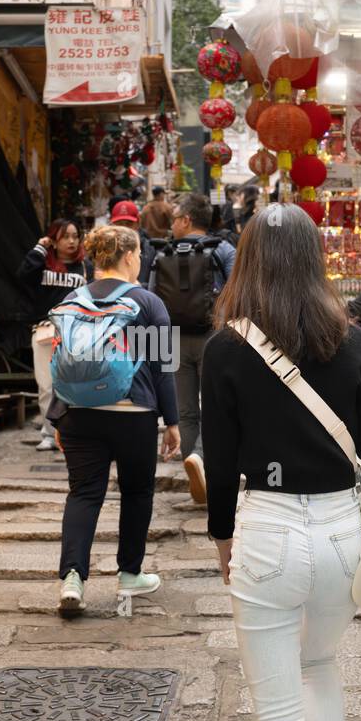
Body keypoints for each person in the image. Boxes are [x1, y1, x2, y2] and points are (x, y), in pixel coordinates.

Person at [201, 203, 361, 721]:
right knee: (320, 661)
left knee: (275, 714)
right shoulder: (353, 343)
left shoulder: (225, 349)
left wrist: (223, 540)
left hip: (269, 533)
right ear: (314, 259)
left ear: (247, 261)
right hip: (344, 536)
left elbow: (220, 466)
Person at [48, 225, 181, 615]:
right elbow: (163, 368)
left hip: (79, 414)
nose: (140, 259)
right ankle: (129, 574)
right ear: (127, 256)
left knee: (84, 493)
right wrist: (172, 422)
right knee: (137, 492)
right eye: (138, 252)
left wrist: (58, 419)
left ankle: (72, 578)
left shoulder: (73, 298)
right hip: (133, 413)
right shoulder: (148, 302)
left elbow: (60, 360)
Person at [150, 192, 235, 506]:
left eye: (174, 217)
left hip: (173, 340)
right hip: (215, 337)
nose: (171, 223)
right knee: (216, 408)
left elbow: (151, 300)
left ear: (186, 220)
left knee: (185, 411)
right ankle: (204, 465)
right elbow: (237, 292)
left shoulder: (162, 253)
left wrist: (155, 350)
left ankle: (194, 470)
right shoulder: (222, 249)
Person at [18, 219, 92, 451]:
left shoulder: (85, 266)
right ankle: (50, 433)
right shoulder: (43, 264)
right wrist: (40, 247)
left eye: (75, 236)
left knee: (75, 383)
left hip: (76, 332)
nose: (71, 241)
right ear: (54, 240)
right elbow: (22, 275)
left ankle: (74, 432)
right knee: (47, 385)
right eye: (65, 236)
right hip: (45, 330)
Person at [109, 199, 154, 284]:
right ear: (112, 225)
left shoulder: (149, 250)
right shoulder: (105, 251)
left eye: (129, 223)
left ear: (138, 223)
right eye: (119, 224)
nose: (124, 228)